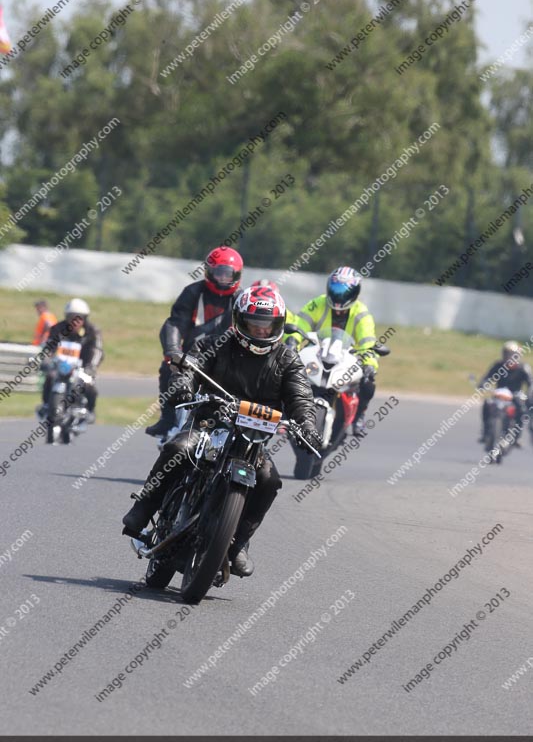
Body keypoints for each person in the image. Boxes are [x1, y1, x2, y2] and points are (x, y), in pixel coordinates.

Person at [122, 285, 321, 577]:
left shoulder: (288, 359)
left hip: (252, 439)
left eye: (267, 326)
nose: (261, 331)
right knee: (179, 448)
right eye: (254, 324)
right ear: (239, 321)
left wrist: (307, 426)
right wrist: (183, 386)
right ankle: (144, 507)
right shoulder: (214, 344)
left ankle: (238, 543)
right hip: (209, 421)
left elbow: (301, 397)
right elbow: (190, 369)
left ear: (278, 325)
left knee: (269, 481)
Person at [145, 246, 243, 438]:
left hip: (228, 360)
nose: (223, 278)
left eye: (228, 274)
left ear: (237, 275)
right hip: (192, 356)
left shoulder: (241, 299)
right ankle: (167, 419)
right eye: (219, 273)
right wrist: (173, 351)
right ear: (209, 272)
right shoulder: (193, 292)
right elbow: (175, 323)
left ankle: (240, 431)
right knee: (168, 368)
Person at [287, 266, 379, 436]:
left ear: (355, 293)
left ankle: (359, 417)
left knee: (368, 383)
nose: (339, 297)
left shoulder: (362, 313)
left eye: (344, 292)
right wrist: (292, 341)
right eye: (336, 290)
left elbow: (368, 342)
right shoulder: (317, 303)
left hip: (345, 360)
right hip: (316, 354)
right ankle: (283, 409)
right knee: (288, 370)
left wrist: (369, 364)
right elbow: (300, 324)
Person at [39, 299, 103, 423]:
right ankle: (46, 405)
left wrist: (91, 366)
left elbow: (97, 350)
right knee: (50, 377)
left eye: (79, 318)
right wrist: (46, 360)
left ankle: (90, 410)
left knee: (89, 385)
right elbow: (49, 348)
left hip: (83, 367)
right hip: (61, 365)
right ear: (66, 317)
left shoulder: (92, 331)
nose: (75, 322)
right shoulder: (58, 329)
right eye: (71, 317)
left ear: (85, 319)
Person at [478, 341, 532, 446]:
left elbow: (530, 382)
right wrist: (483, 384)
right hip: (499, 394)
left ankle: (516, 436)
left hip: (515, 395)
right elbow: (487, 377)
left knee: (522, 410)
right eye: (506, 353)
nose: (508, 356)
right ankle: (486, 432)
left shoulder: (523, 368)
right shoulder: (498, 365)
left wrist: (529, 393)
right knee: (487, 404)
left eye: (511, 354)